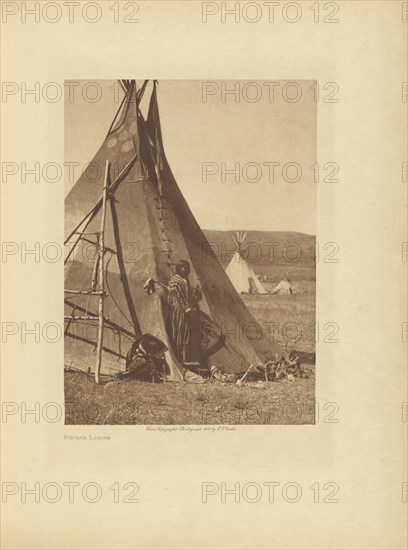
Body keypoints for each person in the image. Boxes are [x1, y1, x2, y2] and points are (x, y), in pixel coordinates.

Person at [167, 259, 204, 368]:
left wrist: (197, 293)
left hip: (188, 312)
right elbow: (178, 297)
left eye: (188, 268)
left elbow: (192, 298)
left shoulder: (185, 281)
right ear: (179, 269)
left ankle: (187, 358)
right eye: (185, 268)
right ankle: (180, 358)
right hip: (179, 311)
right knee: (180, 332)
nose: (187, 270)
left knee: (187, 333)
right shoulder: (174, 281)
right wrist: (186, 309)